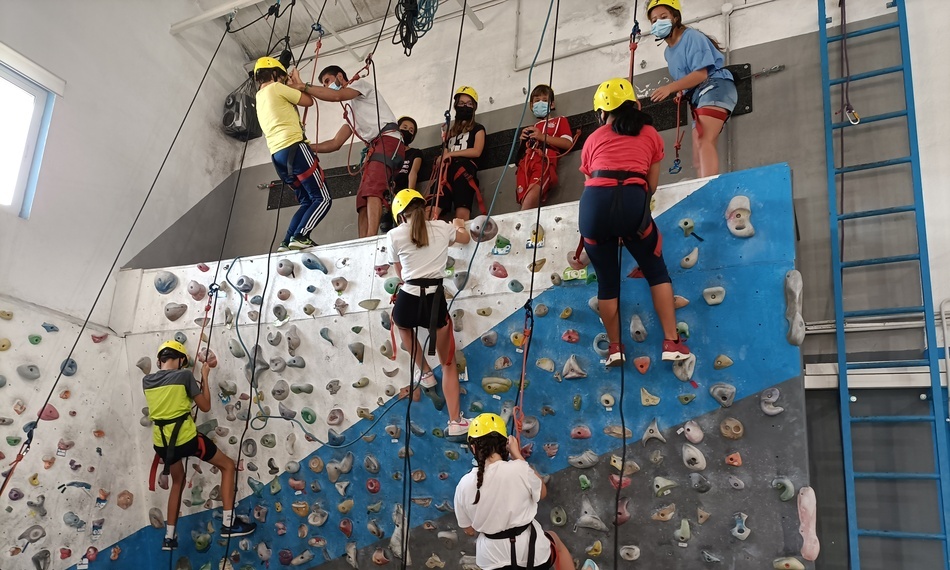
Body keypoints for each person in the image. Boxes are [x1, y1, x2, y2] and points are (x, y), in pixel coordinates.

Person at [579, 78, 691, 366]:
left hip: (593, 208)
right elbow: (651, 185)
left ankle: (615, 348)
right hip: (631, 202)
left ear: (601, 113)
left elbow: (590, 181)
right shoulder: (651, 134)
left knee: (606, 283)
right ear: (634, 104)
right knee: (655, 270)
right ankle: (671, 342)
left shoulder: (593, 139)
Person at [143, 341, 256, 551]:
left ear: (160, 360)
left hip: (162, 444)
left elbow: (169, 402)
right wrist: (204, 375)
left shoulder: (147, 381)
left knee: (178, 481)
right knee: (228, 466)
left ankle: (169, 537)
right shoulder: (185, 376)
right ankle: (228, 523)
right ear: (180, 360)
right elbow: (205, 405)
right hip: (186, 440)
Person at [454, 413, 599, 570]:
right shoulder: (518, 469)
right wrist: (516, 454)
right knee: (555, 541)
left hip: (491, 561)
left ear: (473, 448)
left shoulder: (463, 485)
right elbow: (542, 492)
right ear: (505, 445)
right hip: (532, 555)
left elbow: (468, 529)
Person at [386, 189, 471, 437]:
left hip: (409, 298)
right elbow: (465, 238)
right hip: (434, 302)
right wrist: (459, 224)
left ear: (401, 216)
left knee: (402, 326)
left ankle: (424, 372)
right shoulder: (443, 228)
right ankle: (455, 422)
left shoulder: (394, 235)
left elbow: (401, 275)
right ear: (424, 208)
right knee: (448, 364)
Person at [302, 65, 404, 238]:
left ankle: (371, 237)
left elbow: (335, 96)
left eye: (327, 81)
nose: (327, 86)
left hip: (389, 140)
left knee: (372, 188)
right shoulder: (350, 111)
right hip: (376, 145)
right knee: (362, 197)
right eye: (324, 84)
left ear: (340, 76)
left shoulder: (359, 86)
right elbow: (335, 143)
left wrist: (303, 87)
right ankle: (363, 240)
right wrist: (306, 147)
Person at [647, 0, 737, 177]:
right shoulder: (668, 52)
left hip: (715, 86)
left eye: (663, 17)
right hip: (698, 96)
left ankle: (708, 188)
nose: (658, 23)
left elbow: (700, 74)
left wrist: (670, 88)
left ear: (675, 17)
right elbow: (687, 79)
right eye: (654, 20)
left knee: (705, 141)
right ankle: (702, 189)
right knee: (697, 157)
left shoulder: (691, 37)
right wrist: (681, 91)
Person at [254, 56, 332, 252]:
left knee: (307, 200)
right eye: (281, 77)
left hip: (277, 156)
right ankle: (300, 236)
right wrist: (296, 82)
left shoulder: (259, 96)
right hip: (294, 147)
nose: (283, 80)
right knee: (322, 198)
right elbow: (308, 101)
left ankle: (287, 242)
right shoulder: (277, 88)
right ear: (274, 74)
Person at [429, 86, 485, 222]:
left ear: (474, 107)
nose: (465, 106)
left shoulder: (478, 129)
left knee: (462, 212)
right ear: (456, 106)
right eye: (461, 103)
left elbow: (477, 151)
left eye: (469, 104)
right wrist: (442, 158)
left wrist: (451, 155)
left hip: (464, 171)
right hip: (446, 172)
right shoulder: (448, 134)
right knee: (430, 210)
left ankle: (460, 236)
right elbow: (441, 158)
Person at [516, 85, 574, 210]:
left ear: (552, 104)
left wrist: (542, 137)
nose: (540, 103)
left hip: (543, 161)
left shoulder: (560, 120)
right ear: (531, 106)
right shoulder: (533, 126)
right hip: (525, 164)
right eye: (537, 101)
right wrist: (522, 142)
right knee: (524, 199)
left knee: (530, 198)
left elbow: (568, 143)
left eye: (544, 100)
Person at [385, 116, 425, 232]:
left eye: (411, 130)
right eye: (405, 127)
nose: (407, 131)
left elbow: (413, 173)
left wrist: (409, 197)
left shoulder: (415, 153)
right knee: (385, 226)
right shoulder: (388, 153)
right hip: (386, 196)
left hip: (402, 195)